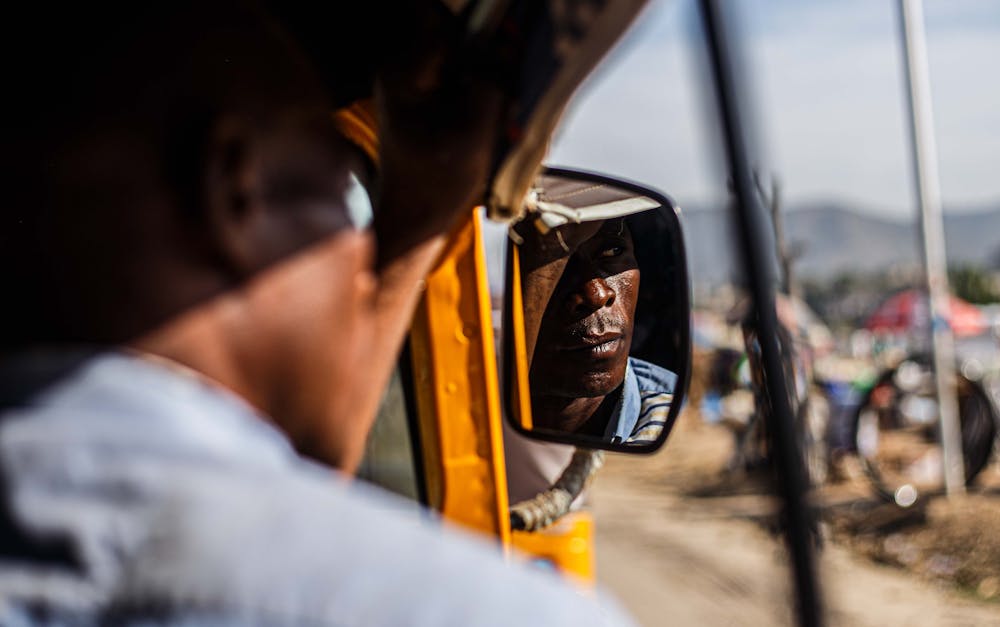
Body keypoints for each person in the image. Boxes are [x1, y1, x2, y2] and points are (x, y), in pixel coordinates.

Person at [0, 3, 633, 625]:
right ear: (234, 188)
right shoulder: (484, 610)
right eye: (341, 199)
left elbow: (305, 453)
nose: (362, 263)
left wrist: (418, 213)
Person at [519, 217, 676, 444]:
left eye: (613, 251)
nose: (597, 295)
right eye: (552, 262)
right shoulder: (465, 411)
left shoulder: (674, 420)